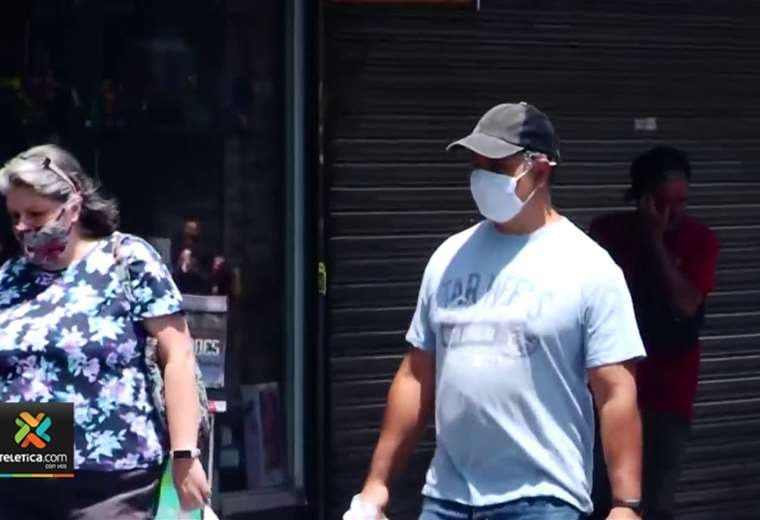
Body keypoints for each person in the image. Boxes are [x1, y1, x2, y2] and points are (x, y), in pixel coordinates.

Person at [345, 103, 646, 520]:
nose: (482, 177)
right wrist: (376, 486)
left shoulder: (588, 267)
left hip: (543, 501)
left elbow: (615, 392)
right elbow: (416, 375)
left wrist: (626, 505)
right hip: (447, 500)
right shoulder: (450, 258)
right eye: (476, 165)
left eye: (496, 166)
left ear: (541, 171)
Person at [0, 144, 210, 519]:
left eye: (35, 214)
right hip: (24, 469)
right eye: (15, 215)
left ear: (73, 206)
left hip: (110, 476)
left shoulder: (125, 260)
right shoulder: (11, 277)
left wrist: (184, 455)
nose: (22, 227)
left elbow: (177, 354)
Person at [589, 146, 719, 520]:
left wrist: (656, 241)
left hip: (668, 392)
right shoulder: (608, 233)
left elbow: (686, 304)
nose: (673, 212)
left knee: (657, 499)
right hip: (612, 386)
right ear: (642, 198)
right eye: (663, 202)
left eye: (681, 202)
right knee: (602, 496)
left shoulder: (699, 239)